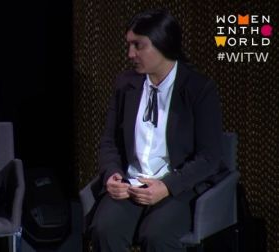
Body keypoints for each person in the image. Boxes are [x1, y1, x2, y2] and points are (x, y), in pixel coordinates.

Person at [90, 9, 226, 252]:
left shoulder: (198, 89)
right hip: (132, 183)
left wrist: (167, 186)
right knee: (104, 229)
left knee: (156, 235)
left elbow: (209, 157)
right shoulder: (126, 84)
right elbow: (109, 141)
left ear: (163, 44)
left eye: (138, 46)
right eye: (129, 45)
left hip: (177, 186)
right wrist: (112, 174)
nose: (130, 54)